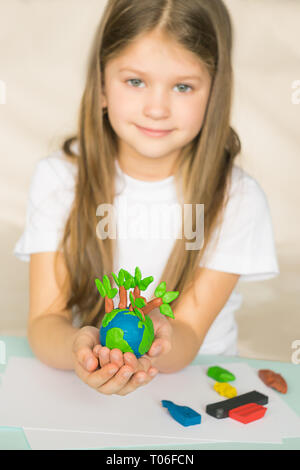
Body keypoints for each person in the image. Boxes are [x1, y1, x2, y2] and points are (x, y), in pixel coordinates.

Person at [13, 0, 279, 396]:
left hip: (194, 385)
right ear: (102, 86)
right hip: (78, 387)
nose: (156, 109)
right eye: (135, 81)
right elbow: (44, 323)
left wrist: (150, 348)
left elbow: (186, 335)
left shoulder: (237, 199)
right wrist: (80, 350)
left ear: (214, 94)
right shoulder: (58, 180)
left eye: (183, 86)